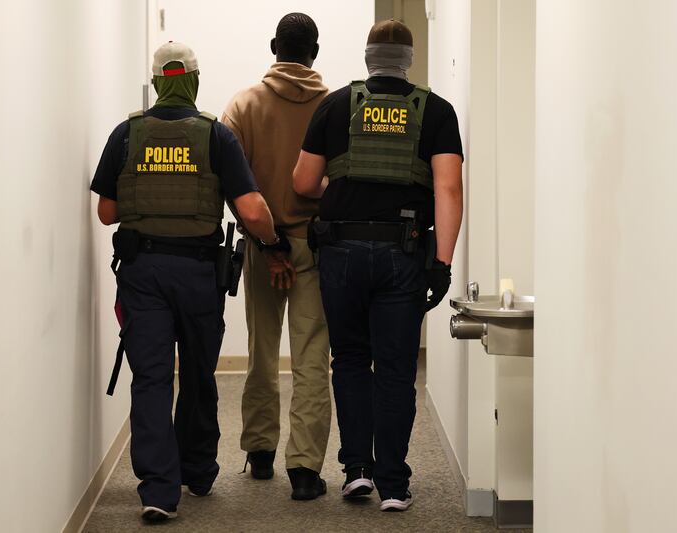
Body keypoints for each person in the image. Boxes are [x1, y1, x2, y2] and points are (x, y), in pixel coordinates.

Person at [90, 42, 289, 523]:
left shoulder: (127, 133)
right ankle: (197, 470)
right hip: (199, 273)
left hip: (143, 274)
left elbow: (107, 212)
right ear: (194, 80)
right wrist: (274, 243)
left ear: (157, 81)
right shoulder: (214, 136)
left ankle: (158, 489)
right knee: (199, 372)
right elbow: (251, 209)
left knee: (153, 377)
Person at [293, 20, 464, 512]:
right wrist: (442, 263)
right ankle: (394, 483)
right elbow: (448, 190)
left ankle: (356, 472)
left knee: (348, 359)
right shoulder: (436, 110)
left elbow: (303, 182)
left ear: (368, 58)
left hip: (342, 252)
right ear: (408, 61)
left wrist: (340, 190)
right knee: (394, 368)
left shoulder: (336, 105)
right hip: (404, 252)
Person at [221, 13, 332, 500]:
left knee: (262, 352)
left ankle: (261, 452)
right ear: (315, 50)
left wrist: (266, 242)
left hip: (262, 244)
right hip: (316, 243)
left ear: (273, 46)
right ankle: (305, 470)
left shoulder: (242, 106)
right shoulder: (333, 108)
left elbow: (230, 182)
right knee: (312, 357)